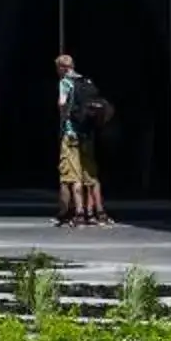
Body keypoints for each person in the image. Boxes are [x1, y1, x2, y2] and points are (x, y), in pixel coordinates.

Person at [55, 52, 106, 227]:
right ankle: (96, 213)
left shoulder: (65, 82)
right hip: (87, 134)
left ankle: (79, 213)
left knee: (73, 175)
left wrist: (64, 114)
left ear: (62, 67)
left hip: (71, 134)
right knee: (91, 175)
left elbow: (62, 103)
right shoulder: (86, 81)